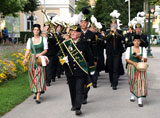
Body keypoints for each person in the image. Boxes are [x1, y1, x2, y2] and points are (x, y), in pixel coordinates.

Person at [58, 25, 95, 116]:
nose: (73, 33)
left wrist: (92, 67)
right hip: (69, 70)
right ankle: (74, 104)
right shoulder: (66, 43)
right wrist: (63, 59)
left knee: (79, 88)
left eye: (75, 32)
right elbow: (59, 54)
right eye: (71, 32)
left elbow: (89, 56)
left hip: (80, 70)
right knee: (72, 89)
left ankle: (78, 107)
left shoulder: (84, 43)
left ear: (79, 33)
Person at [23, 24, 48, 104]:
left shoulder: (43, 39)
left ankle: (38, 97)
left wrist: (40, 54)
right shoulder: (30, 40)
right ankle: (36, 91)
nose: (36, 31)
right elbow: (28, 50)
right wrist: (25, 58)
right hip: (32, 60)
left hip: (40, 60)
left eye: (37, 30)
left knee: (39, 76)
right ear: (33, 31)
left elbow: (45, 50)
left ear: (39, 31)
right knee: (33, 76)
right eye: (34, 30)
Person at [125, 35, 148, 107]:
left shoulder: (143, 49)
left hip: (141, 67)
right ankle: (132, 94)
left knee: (140, 81)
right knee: (132, 80)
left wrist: (139, 57)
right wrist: (133, 63)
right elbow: (127, 59)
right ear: (133, 41)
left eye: (138, 41)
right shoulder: (129, 49)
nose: (137, 42)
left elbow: (145, 59)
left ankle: (139, 99)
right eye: (135, 41)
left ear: (140, 42)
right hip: (131, 66)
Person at [104, 19, 125, 90]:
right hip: (109, 52)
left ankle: (114, 83)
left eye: (114, 23)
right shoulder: (107, 31)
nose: (113, 24)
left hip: (117, 52)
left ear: (116, 24)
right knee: (110, 67)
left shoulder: (120, 31)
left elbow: (122, 38)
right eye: (112, 23)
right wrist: (111, 33)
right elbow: (106, 39)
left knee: (115, 68)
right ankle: (111, 80)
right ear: (110, 25)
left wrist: (116, 33)